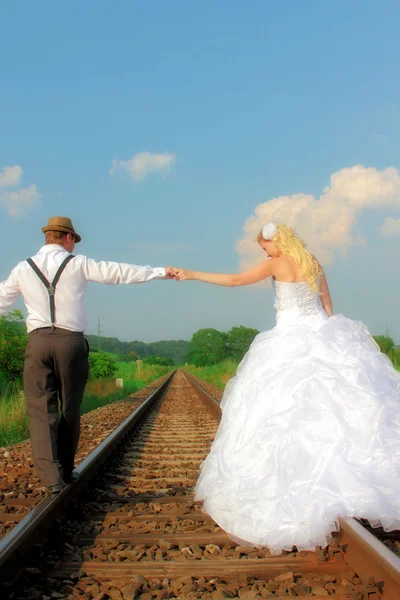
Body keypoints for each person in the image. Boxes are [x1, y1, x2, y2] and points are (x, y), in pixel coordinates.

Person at [175, 222, 400, 554]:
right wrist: (328, 338)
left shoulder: (275, 263)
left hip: (289, 339)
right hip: (323, 334)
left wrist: (192, 273)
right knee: (342, 414)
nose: (263, 251)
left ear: (274, 242)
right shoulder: (313, 262)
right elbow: (327, 304)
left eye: (263, 246)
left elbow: (236, 280)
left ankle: (299, 492)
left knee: (282, 415)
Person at [0, 216, 176, 494]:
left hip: (37, 343)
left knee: (39, 411)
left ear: (48, 237)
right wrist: (158, 272)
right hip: (70, 343)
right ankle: (67, 468)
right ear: (68, 238)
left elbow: (1, 301)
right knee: (70, 407)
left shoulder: (23, 268)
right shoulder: (78, 264)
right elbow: (117, 272)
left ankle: (52, 478)